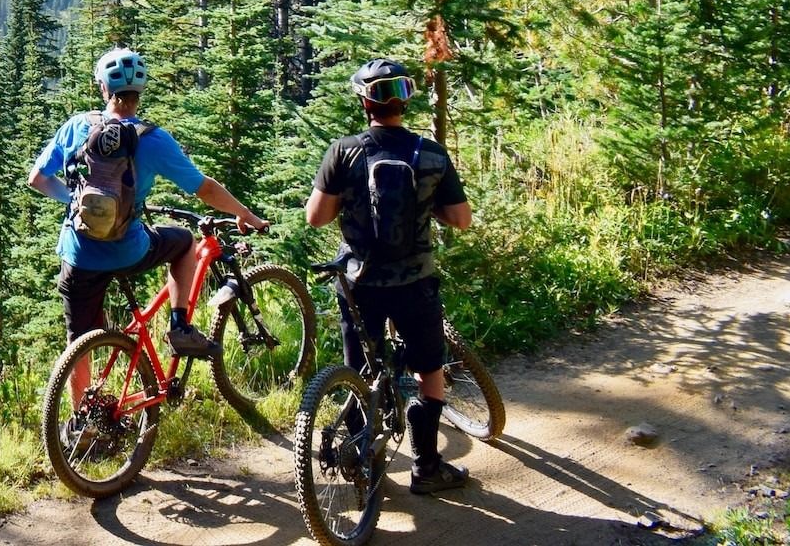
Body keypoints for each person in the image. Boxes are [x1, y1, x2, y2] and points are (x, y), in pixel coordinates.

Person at [27, 47, 268, 379]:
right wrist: (245, 214)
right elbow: (204, 188)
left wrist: (73, 199)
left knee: (77, 342)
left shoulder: (76, 127)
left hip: (79, 253)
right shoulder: (152, 139)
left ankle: (77, 426)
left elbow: (37, 179)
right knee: (184, 242)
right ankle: (180, 325)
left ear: (103, 89)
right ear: (139, 92)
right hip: (129, 249)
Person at [304, 58, 474, 495]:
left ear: (365, 102)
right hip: (415, 282)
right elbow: (460, 219)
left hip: (360, 282)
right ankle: (427, 467)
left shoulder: (344, 151)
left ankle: (363, 460)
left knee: (358, 368)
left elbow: (316, 217)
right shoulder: (431, 153)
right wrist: (427, 204)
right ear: (406, 98)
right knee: (428, 371)